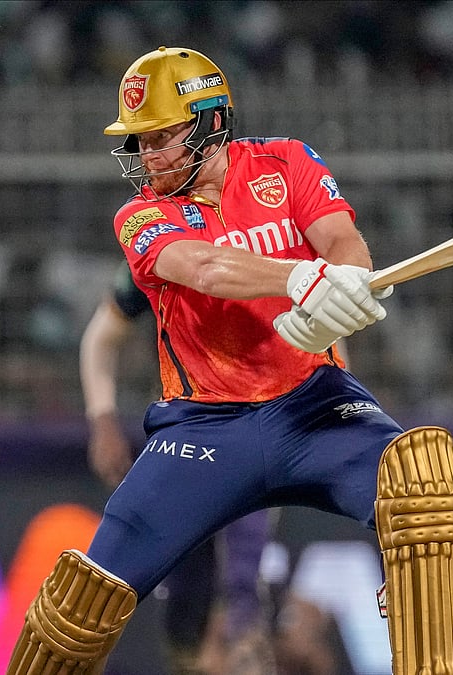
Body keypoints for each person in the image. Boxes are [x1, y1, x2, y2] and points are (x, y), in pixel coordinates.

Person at [6, 46, 453, 675]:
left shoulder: (289, 161)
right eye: (139, 141)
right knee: (78, 605)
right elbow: (206, 266)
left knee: (423, 485)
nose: (147, 156)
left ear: (211, 122)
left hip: (316, 406)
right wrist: (304, 278)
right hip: (205, 430)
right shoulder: (141, 214)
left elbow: (341, 241)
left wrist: (348, 282)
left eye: (161, 137)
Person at [80, 264, 274, 674]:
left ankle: (244, 651)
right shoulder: (160, 247)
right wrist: (102, 420)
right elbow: (101, 336)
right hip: (184, 436)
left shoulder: (267, 236)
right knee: (182, 588)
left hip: (259, 429)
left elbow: (330, 338)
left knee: (243, 585)